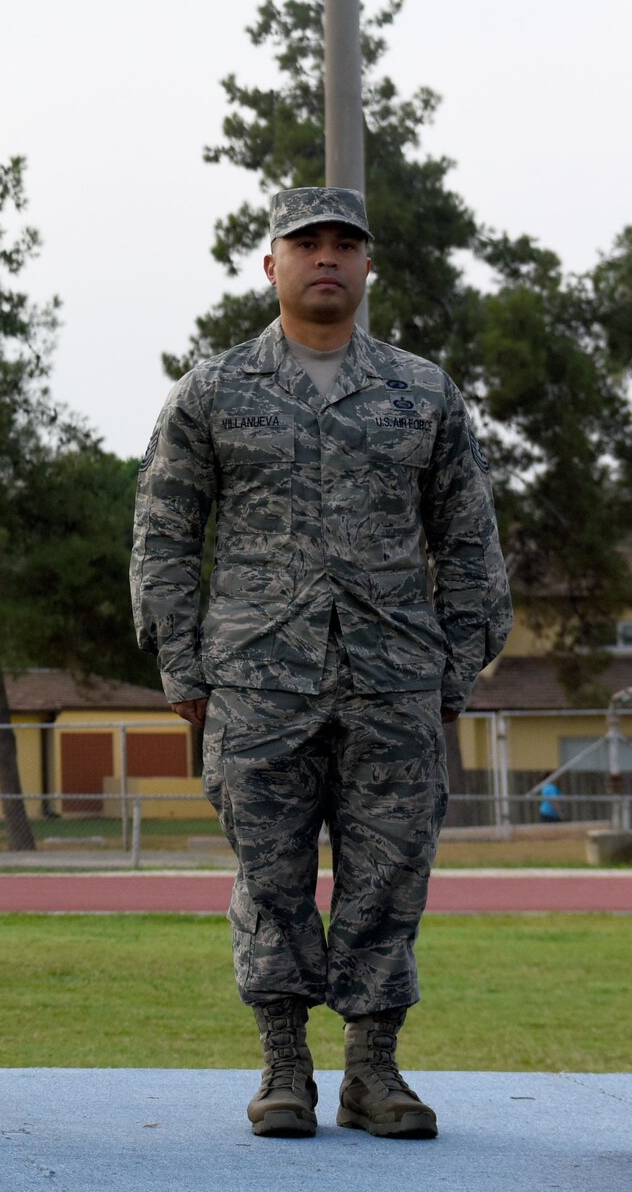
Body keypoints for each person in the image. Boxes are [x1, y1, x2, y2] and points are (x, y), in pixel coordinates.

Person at [131, 186, 512, 1141]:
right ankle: (285, 1065)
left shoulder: (422, 393)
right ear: (272, 265)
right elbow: (164, 536)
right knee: (271, 878)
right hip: (260, 681)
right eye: (307, 244)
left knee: (390, 877)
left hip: (394, 680)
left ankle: (373, 1070)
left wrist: (452, 672)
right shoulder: (214, 391)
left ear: (369, 265)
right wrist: (184, 669)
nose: (327, 258)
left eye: (346, 243)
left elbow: (468, 541)